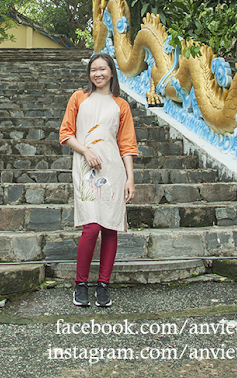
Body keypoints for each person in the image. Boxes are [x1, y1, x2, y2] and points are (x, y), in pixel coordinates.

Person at [59, 52, 138, 307]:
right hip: (85, 168)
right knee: (91, 227)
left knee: (110, 228)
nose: (98, 74)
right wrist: (86, 151)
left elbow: (126, 145)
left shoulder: (121, 105)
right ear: (89, 74)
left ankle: (103, 285)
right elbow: (65, 133)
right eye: (94, 70)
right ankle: (80, 284)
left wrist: (130, 179)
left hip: (113, 170)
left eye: (103, 69)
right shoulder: (79, 98)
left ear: (111, 72)